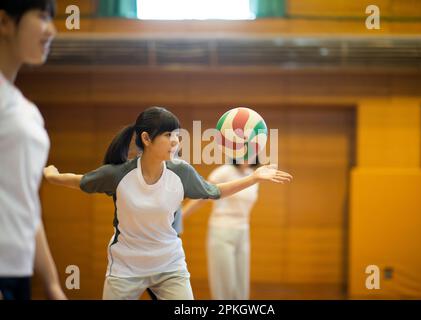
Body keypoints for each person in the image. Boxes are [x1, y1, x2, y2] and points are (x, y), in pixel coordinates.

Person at [43, 106, 292, 300]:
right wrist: (52, 175)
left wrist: (254, 177)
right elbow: (80, 181)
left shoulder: (181, 172)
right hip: (126, 268)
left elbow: (214, 191)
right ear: (146, 139)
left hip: (170, 266)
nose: (176, 140)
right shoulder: (118, 175)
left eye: (177, 134)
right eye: (168, 134)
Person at [0, 0, 66, 300]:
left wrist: (52, 282)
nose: (51, 29)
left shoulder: (28, 112)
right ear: (5, 23)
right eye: (41, 17)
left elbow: (26, 203)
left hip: (18, 271)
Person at [182, 159, 260, 300]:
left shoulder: (254, 175)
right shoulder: (224, 172)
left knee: (242, 287)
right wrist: (180, 216)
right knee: (225, 285)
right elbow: (202, 196)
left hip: (243, 232)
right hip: (222, 231)